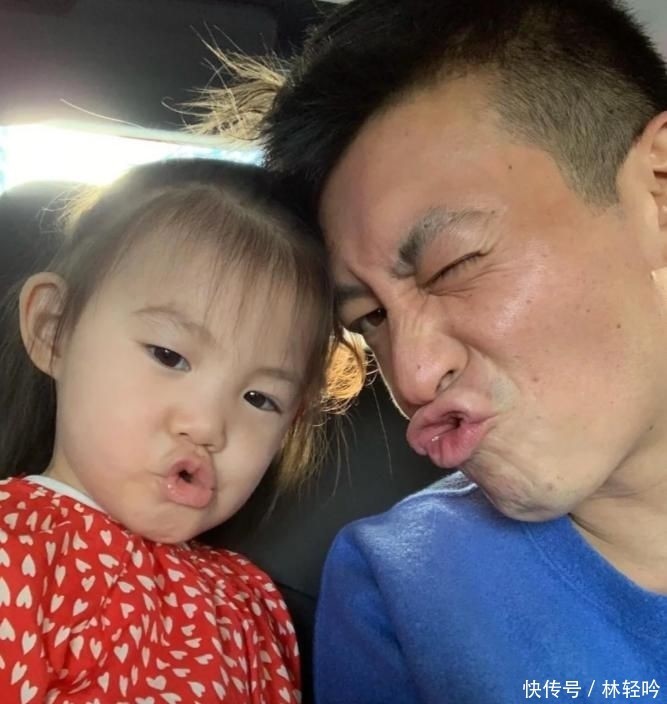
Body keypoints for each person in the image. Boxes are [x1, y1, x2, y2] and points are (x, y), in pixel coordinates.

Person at [201, 0, 667, 701]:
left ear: (658, 193)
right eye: (370, 319)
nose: (413, 377)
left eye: (453, 265)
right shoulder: (399, 588)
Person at [0, 158, 361, 703]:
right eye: (169, 356)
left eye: (260, 399)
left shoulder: (248, 603)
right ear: (54, 330)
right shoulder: (15, 546)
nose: (207, 425)